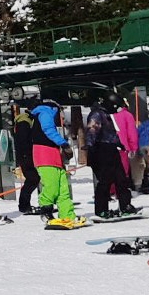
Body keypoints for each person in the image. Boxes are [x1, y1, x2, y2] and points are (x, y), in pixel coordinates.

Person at [30, 99, 85, 229]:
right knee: (52, 186)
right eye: (62, 113)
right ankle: (46, 211)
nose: (63, 117)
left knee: (63, 189)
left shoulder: (47, 113)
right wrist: (63, 144)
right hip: (44, 155)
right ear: (57, 109)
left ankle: (68, 215)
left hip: (54, 155)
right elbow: (48, 129)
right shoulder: (45, 112)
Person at [85, 96, 137, 219]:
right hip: (101, 151)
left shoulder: (106, 114)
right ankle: (101, 210)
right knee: (105, 181)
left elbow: (111, 133)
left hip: (112, 149)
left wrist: (119, 143)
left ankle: (125, 205)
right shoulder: (97, 114)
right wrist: (90, 147)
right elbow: (92, 131)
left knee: (121, 179)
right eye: (117, 107)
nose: (117, 110)